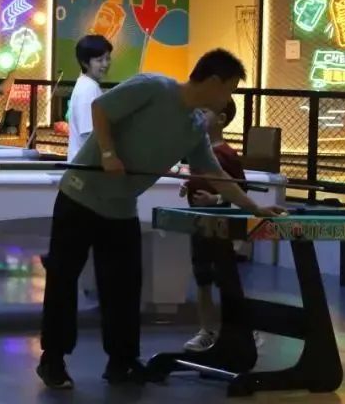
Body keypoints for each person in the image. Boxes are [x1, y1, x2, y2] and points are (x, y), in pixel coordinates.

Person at [36, 50, 287, 390]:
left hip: (121, 207)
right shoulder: (154, 87)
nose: (228, 98)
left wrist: (253, 207)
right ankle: (53, 360)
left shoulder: (195, 126)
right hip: (80, 196)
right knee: (63, 278)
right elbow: (101, 109)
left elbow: (215, 173)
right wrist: (108, 153)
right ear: (214, 82)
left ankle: (122, 362)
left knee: (124, 287)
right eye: (229, 89)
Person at [180, 98, 262, 353]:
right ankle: (206, 330)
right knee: (202, 278)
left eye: (205, 110)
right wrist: (188, 185)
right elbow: (200, 178)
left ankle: (241, 329)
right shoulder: (198, 150)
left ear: (221, 119)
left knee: (226, 281)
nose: (198, 115)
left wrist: (215, 199)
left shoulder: (227, 154)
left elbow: (239, 189)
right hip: (199, 226)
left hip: (220, 229)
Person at [66, 34, 112, 160]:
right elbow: (89, 134)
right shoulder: (88, 89)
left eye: (108, 58)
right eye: (99, 60)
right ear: (85, 63)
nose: (105, 64)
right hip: (85, 165)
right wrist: (109, 156)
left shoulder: (88, 85)